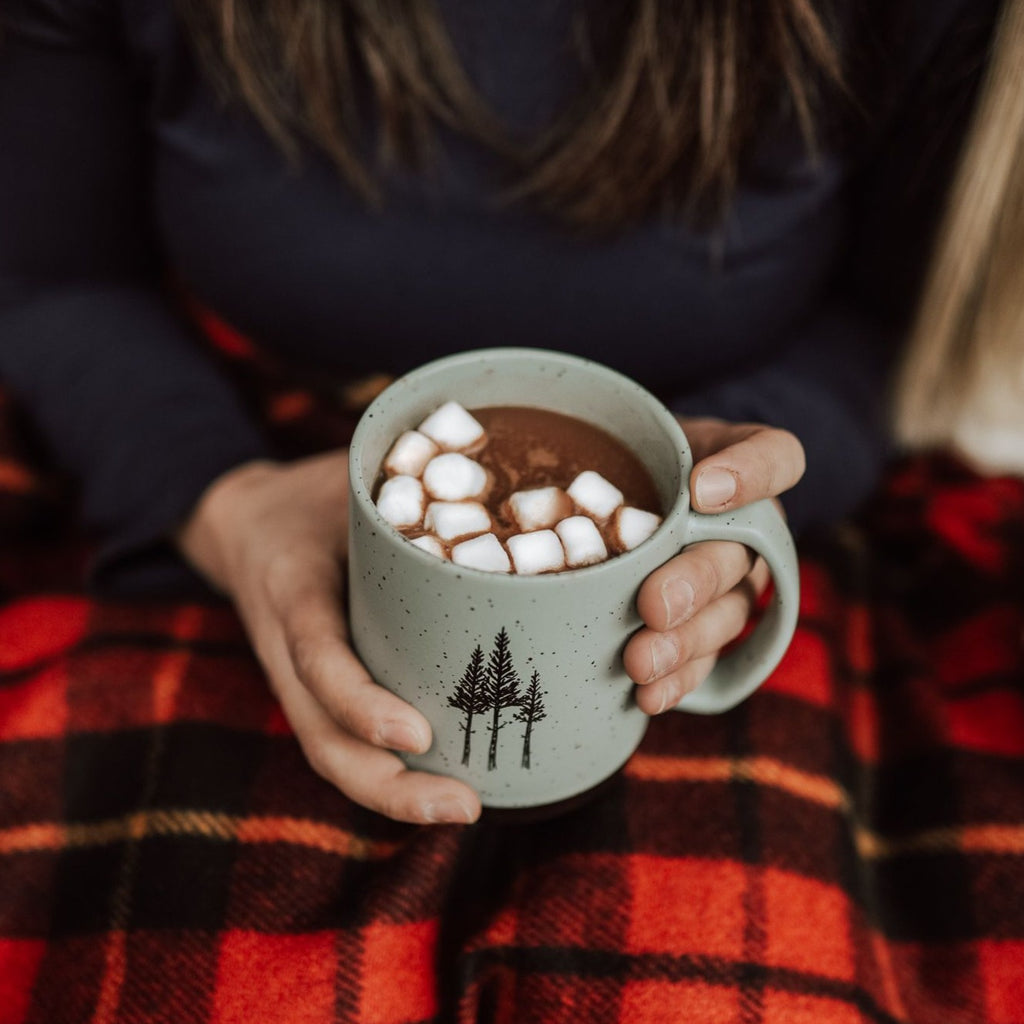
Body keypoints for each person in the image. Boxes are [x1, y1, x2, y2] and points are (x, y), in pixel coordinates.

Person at [0, 0, 1001, 825]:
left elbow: (890, 327)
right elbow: (51, 277)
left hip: (735, 543)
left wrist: (731, 490)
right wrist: (227, 505)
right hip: (205, 457)